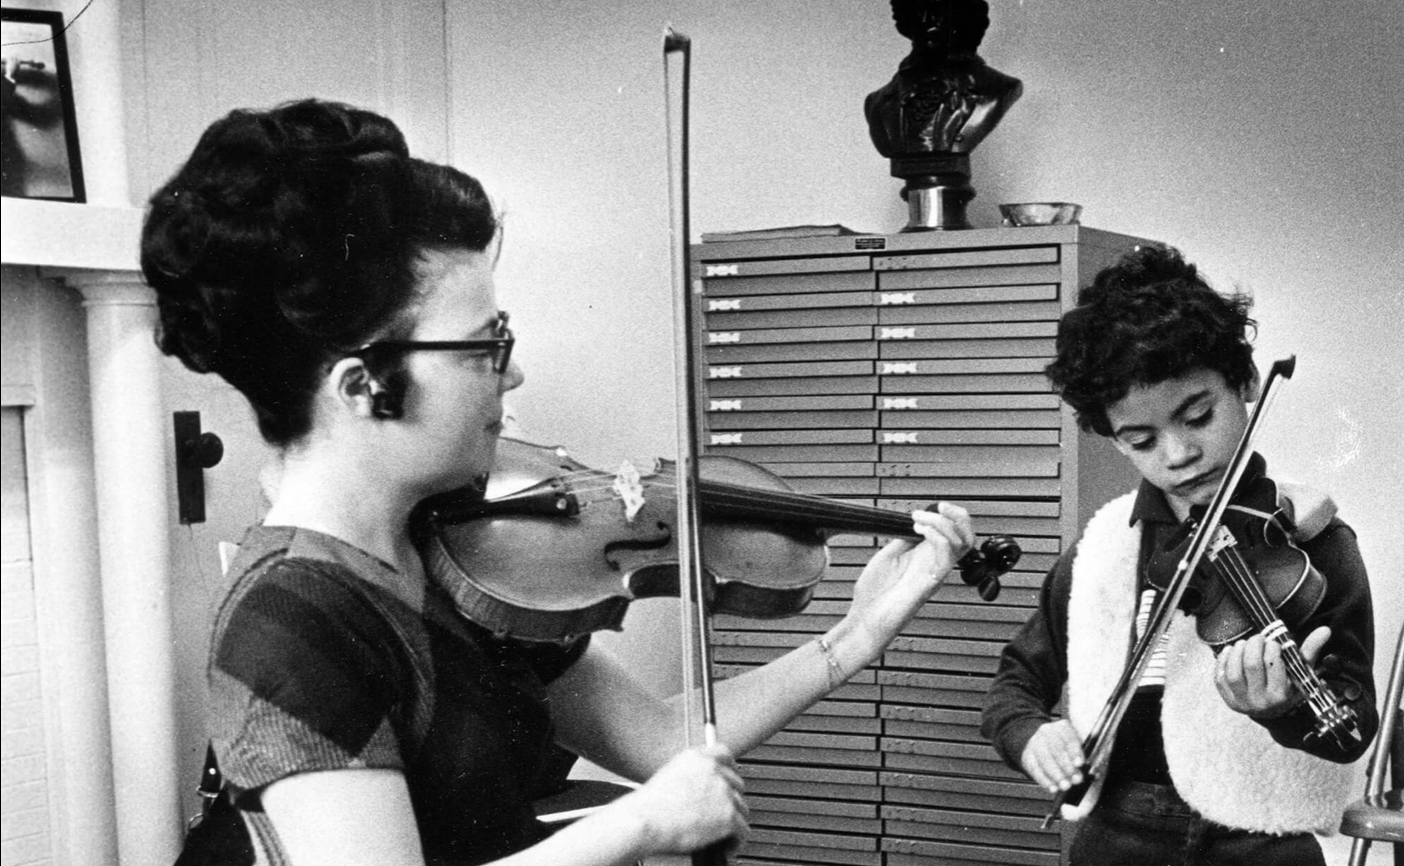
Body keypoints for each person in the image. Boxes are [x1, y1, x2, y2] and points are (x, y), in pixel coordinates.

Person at [143, 98, 978, 866]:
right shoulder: (290, 621)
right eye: (486, 346)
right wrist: (640, 824)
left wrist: (858, 636)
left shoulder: (453, 551)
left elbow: (659, 737)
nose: (512, 376)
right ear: (365, 386)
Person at [980, 244, 1378, 865]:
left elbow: (1352, 728)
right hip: (1118, 834)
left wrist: (1288, 710)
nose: (1177, 454)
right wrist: (1028, 734)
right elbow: (1015, 682)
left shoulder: (1313, 538)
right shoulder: (1103, 547)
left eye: (1197, 416)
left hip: (1261, 843)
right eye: (1141, 440)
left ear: (1246, 383)